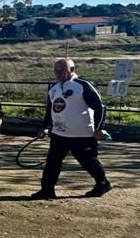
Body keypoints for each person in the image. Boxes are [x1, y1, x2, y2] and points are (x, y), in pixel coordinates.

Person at [31, 58, 113, 200]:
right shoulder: (54, 88)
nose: (58, 74)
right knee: (52, 163)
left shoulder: (83, 85)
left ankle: (103, 183)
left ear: (72, 70)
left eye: (62, 71)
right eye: (56, 71)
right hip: (59, 134)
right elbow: (50, 110)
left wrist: (99, 128)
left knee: (89, 161)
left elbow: (100, 107)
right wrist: (44, 126)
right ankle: (47, 189)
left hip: (82, 134)